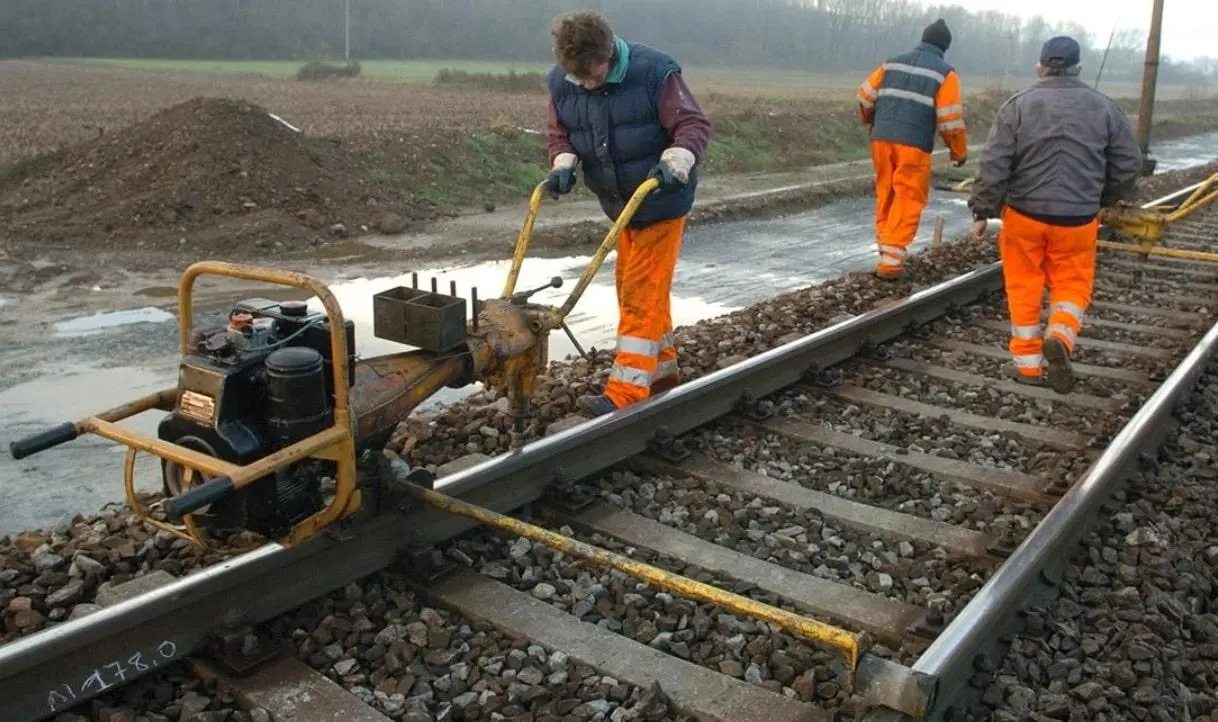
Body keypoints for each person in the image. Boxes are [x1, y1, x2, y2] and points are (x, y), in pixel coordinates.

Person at [544, 10, 712, 417]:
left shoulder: (654, 72)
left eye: (593, 73)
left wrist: (677, 160)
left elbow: (693, 124)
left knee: (640, 293)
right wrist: (563, 162)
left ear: (608, 52)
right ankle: (662, 371)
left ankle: (626, 392)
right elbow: (559, 132)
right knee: (638, 290)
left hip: (661, 198)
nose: (587, 82)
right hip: (622, 206)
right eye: (578, 76)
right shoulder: (562, 82)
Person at [967, 36, 1141, 394]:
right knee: (1073, 283)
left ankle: (1027, 366)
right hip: (1078, 219)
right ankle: (1060, 333)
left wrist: (982, 210)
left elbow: (994, 163)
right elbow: (1128, 165)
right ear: (1078, 68)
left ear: (1040, 67)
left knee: (1023, 285)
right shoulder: (1106, 108)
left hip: (1023, 216)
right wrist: (1101, 197)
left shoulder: (1017, 106)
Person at [857, 18, 969, 280]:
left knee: (886, 191)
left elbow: (863, 96)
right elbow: (950, 122)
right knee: (908, 196)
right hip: (914, 144)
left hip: (881, 139)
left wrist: (871, 119)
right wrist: (958, 152)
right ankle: (891, 262)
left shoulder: (892, 62)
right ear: (945, 47)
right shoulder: (945, 73)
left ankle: (885, 248)